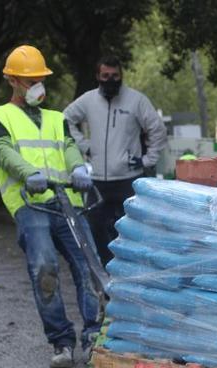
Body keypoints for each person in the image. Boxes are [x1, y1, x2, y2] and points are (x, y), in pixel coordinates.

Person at [0, 45, 100, 368]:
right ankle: (61, 341)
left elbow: (68, 146)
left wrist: (78, 168)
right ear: (12, 81)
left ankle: (94, 337)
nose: (37, 85)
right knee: (44, 268)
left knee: (90, 267)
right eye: (29, 79)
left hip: (68, 203)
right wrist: (28, 174)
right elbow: (3, 151)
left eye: (40, 78)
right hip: (30, 204)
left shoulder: (56, 118)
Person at [64, 55, 167, 266]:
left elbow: (157, 130)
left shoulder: (136, 100)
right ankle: (104, 275)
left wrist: (148, 160)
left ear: (121, 76)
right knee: (96, 231)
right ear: (98, 76)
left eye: (115, 76)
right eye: (105, 76)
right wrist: (84, 146)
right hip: (98, 181)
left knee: (132, 232)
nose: (110, 80)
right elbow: (64, 120)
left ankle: (130, 273)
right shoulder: (88, 100)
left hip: (128, 180)